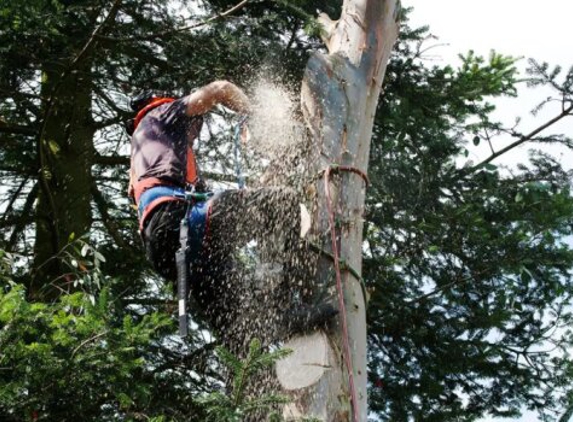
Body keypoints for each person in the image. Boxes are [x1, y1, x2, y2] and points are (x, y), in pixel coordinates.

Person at [126, 80, 336, 341]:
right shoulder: (162, 113)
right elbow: (220, 89)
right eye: (193, 126)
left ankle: (261, 353)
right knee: (282, 202)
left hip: (165, 249)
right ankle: (282, 304)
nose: (194, 133)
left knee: (240, 327)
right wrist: (256, 115)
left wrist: (271, 175)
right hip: (179, 224)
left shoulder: (145, 156)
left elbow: (238, 206)